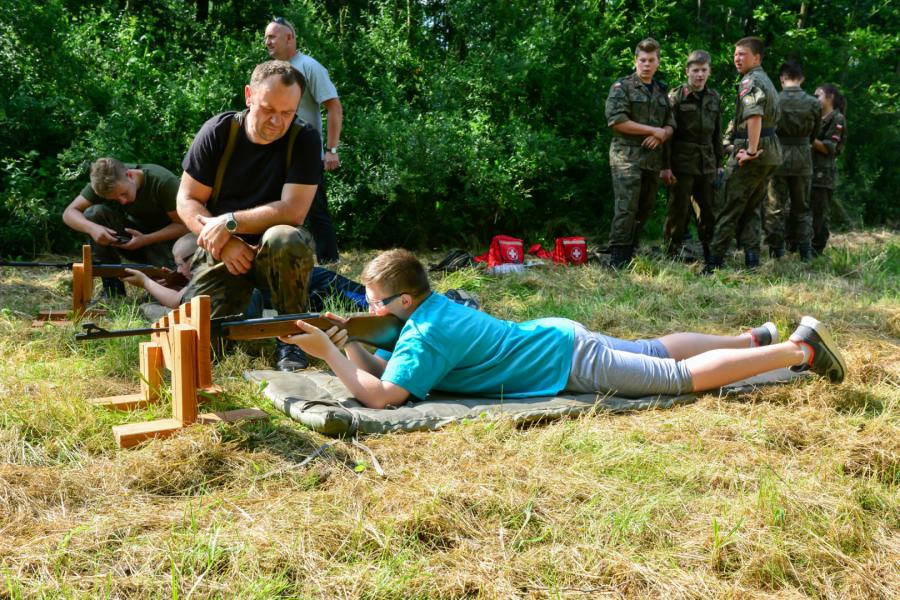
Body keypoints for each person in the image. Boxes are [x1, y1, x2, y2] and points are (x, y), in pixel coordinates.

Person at [279, 249, 847, 409]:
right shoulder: (434, 310)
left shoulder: (425, 335)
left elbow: (383, 396)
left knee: (676, 378)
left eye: (374, 301)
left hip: (570, 361)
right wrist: (350, 343)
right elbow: (385, 370)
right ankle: (752, 338)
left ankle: (796, 351)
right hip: (558, 336)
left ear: (403, 300)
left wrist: (329, 355)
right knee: (653, 347)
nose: (368, 306)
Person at [176, 60, 320, 371]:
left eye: (287, 113)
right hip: (223, 251)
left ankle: (292, 339)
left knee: (284, 237)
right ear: (249, 96)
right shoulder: (218, 132)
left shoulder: (305, 139)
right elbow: (187, 200)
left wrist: (231, 222)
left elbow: (294, 211)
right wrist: (226, 243)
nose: (277, 121)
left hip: (277, 256)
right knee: (200, 353)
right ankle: (248, 306)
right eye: (268, 109)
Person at [123, 233, 367, 333]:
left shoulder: (211, 269)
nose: (179, 270)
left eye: (181, 264)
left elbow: (179, 301)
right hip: (306, 299)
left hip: (316, 283)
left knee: (369, 301)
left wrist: (145, 281)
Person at [265, 17, 343, 264]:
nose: (267, 42)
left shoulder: (309, 66)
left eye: (272, 36)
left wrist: (331, 149)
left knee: (316, 212)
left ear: (289, 38)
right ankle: (276, 263)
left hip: (306, 155)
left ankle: (330, 266)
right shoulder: (270, 71)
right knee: (271, 209)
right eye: (266, 37)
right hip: (274, 154)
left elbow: (334, 107)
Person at [705, 37, 783, 273]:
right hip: (770, 151)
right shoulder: (766, 80)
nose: (737, 59)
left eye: (742, 54)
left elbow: (754, 116)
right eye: (735, 54)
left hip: (753, 151)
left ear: (756, 58)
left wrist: (750, 150)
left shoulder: (750, 81)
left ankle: (713, 263)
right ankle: (752, 260)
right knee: (752, 207)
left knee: (728, 206)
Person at [62, 157, 188, 297]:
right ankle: (112, 289)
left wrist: (146, 239)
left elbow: (184, 225)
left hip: (170, 244)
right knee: (93, 214)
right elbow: (69, 213)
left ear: (130, 175)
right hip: (135, 240)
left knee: (169, 291)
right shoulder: (103, 181)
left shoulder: (163, 182)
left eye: (124, 193)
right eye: (115, 199)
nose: (122, 201)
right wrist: (92, 228)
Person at [604, 38, 676, 268]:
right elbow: (617, 121)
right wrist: (653, 130)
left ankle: (631, 249)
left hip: (652, 160)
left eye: (651, 60)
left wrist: (662, 134)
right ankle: (618, 257)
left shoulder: (661, 91)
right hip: (626, 157)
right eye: (643, 60)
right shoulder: (622, 87)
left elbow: (671, 123)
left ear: (658, 63)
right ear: (635, 60)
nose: (646, 64)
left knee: (645, 207)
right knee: (626, 207)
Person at [660, 50, 723, 262]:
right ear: (687, 71)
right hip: (682, 162)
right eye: (695, 70)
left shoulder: (714, 97)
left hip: (707, 162)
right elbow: (668, 136)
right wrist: (665, 166)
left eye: (704, 70)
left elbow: (717, 134)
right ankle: (671, 253)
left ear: (709, 71)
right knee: (678, 210)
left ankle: (711, 254)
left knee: (708, 210)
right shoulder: (676, 97)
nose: (700, 75)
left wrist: (719, 163)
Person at [764, 61, 821, 262]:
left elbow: (768, 128)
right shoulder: (813, 103)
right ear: (802, 78)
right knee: (802, 207)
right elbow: (815, 134)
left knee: (775, 206)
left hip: (778, 155)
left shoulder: (775, 99)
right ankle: (805, 252)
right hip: (803, 157)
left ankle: (776, 252)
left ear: (782, 78)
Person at [810, 83, 847, 256]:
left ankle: (816, 250)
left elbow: (828, 148)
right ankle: (798, 246)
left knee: (819, 214)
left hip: (823, 174)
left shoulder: (837, 119)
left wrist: (806, 137)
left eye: (818, 95)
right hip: (807, 170)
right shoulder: (815, 117)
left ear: (830, 97)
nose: (814, 99)